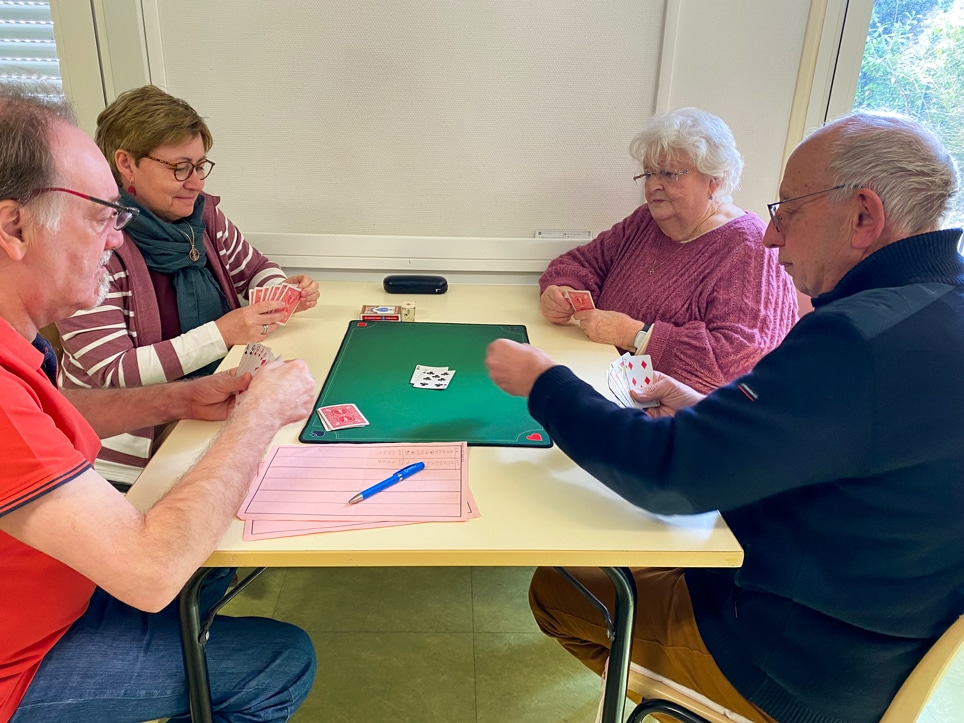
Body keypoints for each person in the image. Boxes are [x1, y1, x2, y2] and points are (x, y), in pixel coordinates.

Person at [486, 111, 964, 723]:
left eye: (788, 210)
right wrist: (709, 411)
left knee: (558, 587)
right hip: (881, 641)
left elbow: (668, 475)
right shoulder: (928, 312)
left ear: (864, 217)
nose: (771, 236)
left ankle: (690, 707)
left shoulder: (855, 338)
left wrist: (544, 384)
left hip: (788, 668)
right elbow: (836, 440)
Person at [0, 86, 317, 722]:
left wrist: (186, 397)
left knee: (205, 567)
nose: (117, 242)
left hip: (63, 582)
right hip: (21, 661)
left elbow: (63, 414)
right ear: (14, 226)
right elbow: (149, 571)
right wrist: (257, 415)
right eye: (99, 217)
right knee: (279, 658)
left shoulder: (20, 346)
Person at [55, 85, 321, 485]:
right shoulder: (91, 245)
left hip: (203, 408)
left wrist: (282, 290)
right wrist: (224, 332)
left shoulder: (203, 218)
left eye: (200, 166)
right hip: (123, 459)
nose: (195, 182)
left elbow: (256, 270)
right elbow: (115, 373)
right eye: (179, 168)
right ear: (125, 163)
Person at [539, 107, 797, 393]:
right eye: (649, 174)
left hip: (681, 418)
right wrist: (562, 290)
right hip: (602, 377)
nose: (653, 186)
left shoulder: (750, 248)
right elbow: (581, 263)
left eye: (669, 174)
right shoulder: (645, 221)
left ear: (715, 180)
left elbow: (736, 361)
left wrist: (635, 336)